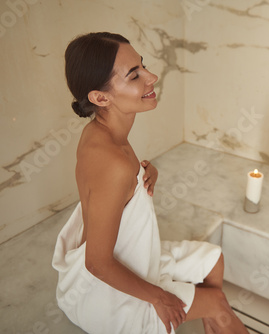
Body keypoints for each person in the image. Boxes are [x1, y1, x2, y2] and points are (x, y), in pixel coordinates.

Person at [51, 32, 248, 334]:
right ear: (100, 98)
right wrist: (160, 297)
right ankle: (214, 315)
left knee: (214, 261)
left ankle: (213, 322)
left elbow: (111, 188)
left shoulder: (100, 133)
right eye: (135, 75)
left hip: (133, 254)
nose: (152, 76)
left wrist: (141, 177)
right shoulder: (112, 161)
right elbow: (98, 264)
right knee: (219, 302)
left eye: (142, 66)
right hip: (106, 298)